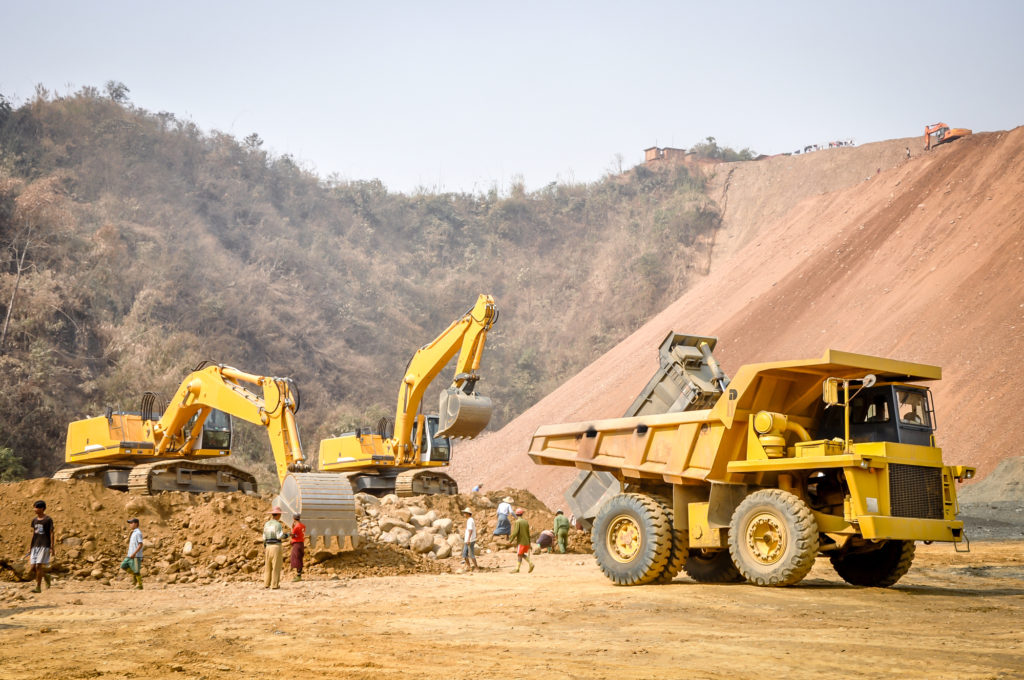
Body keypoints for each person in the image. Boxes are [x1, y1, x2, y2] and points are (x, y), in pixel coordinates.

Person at [27, 500, 55, 593]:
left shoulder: (48, 520)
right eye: (34, 507)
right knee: (33, 568)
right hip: (35, 545)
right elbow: (33, 534)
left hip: (44, 545)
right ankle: (46, 576)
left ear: (42, 508)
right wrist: (30, 547)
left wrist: (52, 547)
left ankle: (38, 587)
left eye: (36, 507)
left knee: (38, 566)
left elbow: (51, 533)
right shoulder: (34, 520)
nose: (34, 509)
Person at [262, 505, 289, 589]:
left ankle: (266, 583)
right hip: (276, 546)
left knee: (268, 566)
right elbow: (279, 536)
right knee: (276, 566)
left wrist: (265, 546)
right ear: (278, 515)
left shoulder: (266, 524)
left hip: (268, 546)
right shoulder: (278, 524)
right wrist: (287, 535)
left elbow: (264, 537)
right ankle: (274, 585)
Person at [120, 518, 144, 590]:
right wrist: (129, 534)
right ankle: (135, 578)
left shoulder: (138, 533)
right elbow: (126, 542)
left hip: (135, 556)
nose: (130, 524)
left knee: (136, 570)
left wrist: (134, 553)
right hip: (130, 555)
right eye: (130, 523)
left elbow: (140, 544)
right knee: (123, 566)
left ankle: (140, 585)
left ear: (136, 523)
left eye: (131, 523)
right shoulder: (133, 532)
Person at [509, 508, 534, 573]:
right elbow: (528, 533)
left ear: (516, 514)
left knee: (520, 554)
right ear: (522, 514)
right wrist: (529, 542)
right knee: (521, 554)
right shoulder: (525, 522)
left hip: (521, 541)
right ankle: (518, 568)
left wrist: (510, 540)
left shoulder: (517, 522)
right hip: (526, 541)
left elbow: (515, 532)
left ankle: (530, 564)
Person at [289, 513, 306, 582]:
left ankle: (298, 576)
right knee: (299, 558)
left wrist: (290, 532)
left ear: (293, 518)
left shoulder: (296, 527)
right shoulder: (303, 526)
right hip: (301, 543)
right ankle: (299, 575)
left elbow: (293, 535)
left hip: (296, 544)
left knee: (296, 559)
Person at [461, 507, 479, 571]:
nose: (464, 514)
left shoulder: (470, 520)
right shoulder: (469, 520)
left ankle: (476, 568)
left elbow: (470, 530)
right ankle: (469, 567)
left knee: (471, 554)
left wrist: (468, 539)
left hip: (470, 540)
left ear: (468, 514)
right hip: (468, 540)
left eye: (465, 513)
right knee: (464, 554)